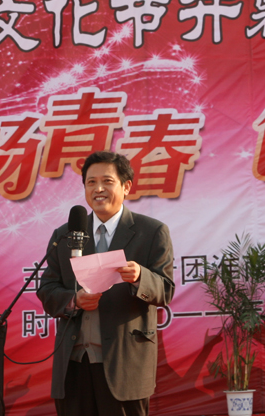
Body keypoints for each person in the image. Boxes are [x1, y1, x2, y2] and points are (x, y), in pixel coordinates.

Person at [37, 151, 175, 416]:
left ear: (126, 186)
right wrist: (74, 300)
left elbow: (165, 289)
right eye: (91, 182)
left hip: (124, 364)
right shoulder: (65, 235)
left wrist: (140, 276)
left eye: (107, 181)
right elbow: (47, 289)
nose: (98, 189)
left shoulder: (151, 231)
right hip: (73, 365)